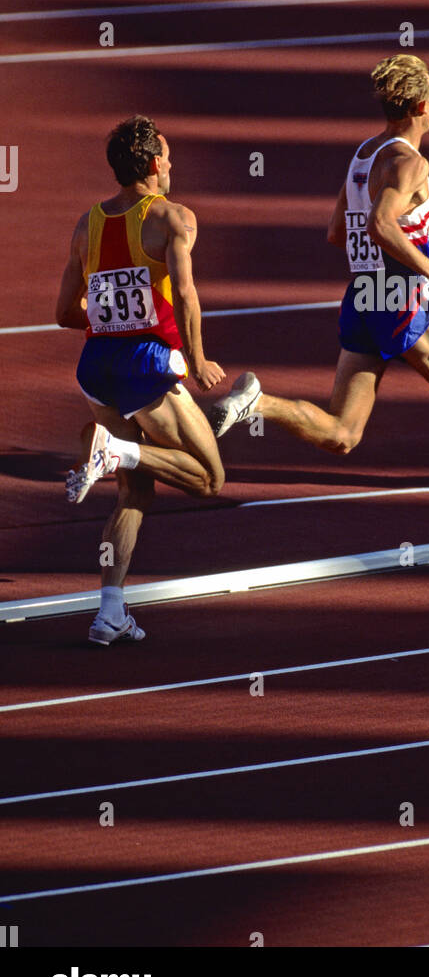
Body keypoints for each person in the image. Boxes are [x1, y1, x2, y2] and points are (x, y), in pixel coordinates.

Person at [212, 54, 429, 546]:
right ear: (419, 106)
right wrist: (427, 271)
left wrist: (412, 253)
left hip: (363, 297)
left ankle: (259, 403)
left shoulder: (362, 155)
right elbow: (380, 224)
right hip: (400, 298)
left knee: (344, 434)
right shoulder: (411, 162)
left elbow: (337, 232)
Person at [55, 116, 259, 646]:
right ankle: (117, 452)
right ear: (151, 164)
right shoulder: (172, 217)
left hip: (95, 366)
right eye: (167, 156)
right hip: (144, 365)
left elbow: (63, 311)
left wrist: (109, 321)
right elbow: (187, 294)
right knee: (210, 477)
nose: (171, 164)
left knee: (135, 492)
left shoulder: (86, 224)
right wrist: (196, 358)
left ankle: (109, 611)